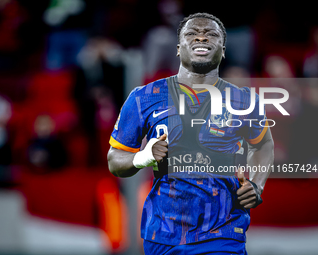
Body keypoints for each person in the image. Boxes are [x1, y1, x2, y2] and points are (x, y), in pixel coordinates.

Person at [108, 13, 274, 255]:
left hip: (223, 232)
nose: (201, 37)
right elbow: (115, 160)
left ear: (224, 50)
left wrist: (256, 186)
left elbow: (263, 146)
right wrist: (143, 157)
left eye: (212, 34)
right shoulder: (143, 97)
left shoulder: (245, 101)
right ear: (178, 49)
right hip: (163, 234)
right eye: (192, 33)